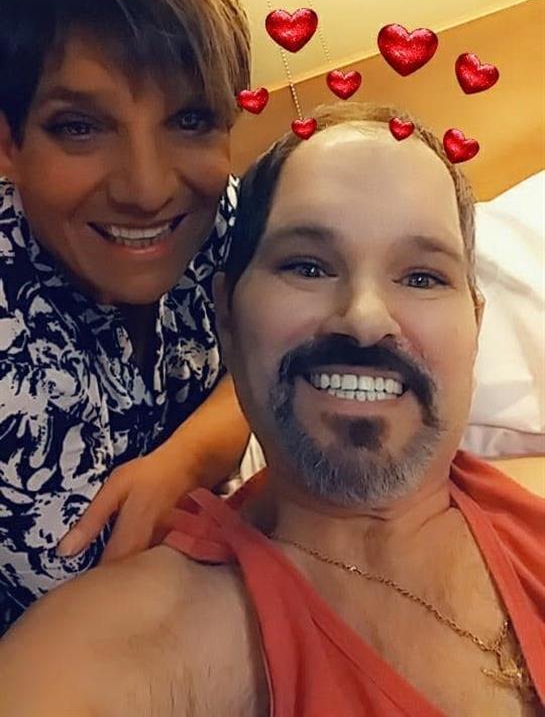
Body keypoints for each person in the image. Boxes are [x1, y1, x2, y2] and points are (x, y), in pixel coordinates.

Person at [0, 103, 543, 717]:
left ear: (475, 322)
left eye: (421, 277)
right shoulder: (123, 654)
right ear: (227, 317)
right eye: (307, 266)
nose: (365, 319)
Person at [0, 0, 252, 635]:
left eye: (190, 119)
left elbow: (296, 344)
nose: (147, 189)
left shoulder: (219, 215)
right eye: (80, 127)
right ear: (8, 145)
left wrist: (192, 453)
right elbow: (115, 622)